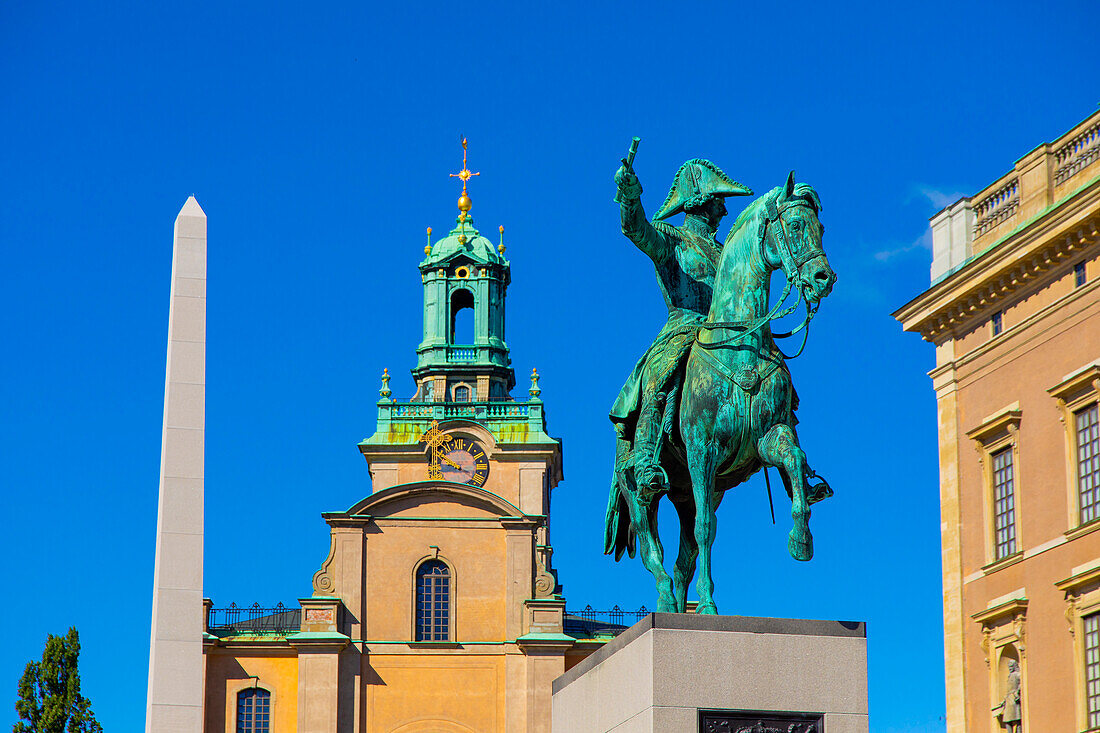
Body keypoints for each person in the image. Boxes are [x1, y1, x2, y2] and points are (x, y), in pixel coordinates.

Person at [609, 156, 751, 495]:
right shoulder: (672, 239)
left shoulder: (726, 253)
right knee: (661, 373)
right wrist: (630, 196)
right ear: (700, 200)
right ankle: (644, 457)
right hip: (683, 327)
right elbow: (636, 229)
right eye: (720, 201)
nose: (724, 210)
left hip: (728, 332)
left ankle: (794, 463)